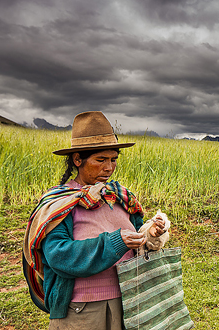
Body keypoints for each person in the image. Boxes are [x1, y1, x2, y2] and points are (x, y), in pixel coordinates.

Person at [23, 111, 166, 330]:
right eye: (100, 160)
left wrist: (151, 233)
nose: (109, 168)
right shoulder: (60, 203)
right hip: (80, 311)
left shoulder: (118, 195)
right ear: (77, 159)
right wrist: (115, 242)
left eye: (113, 160)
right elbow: (58, 256)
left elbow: (138, 235)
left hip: (126, 303)